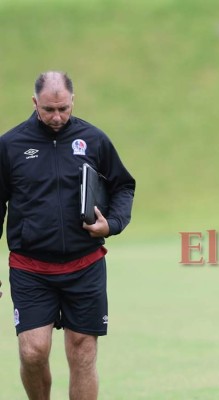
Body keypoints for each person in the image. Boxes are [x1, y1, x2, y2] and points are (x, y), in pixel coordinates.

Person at [0, 71, 135, 400]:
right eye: (49, 110)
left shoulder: (94, 139)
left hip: (84, 266)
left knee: (83, 354)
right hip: (31, 268)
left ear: (73, 101)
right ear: (34, 103)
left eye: (63, 108)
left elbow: (123, 186)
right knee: (33, 351)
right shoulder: (10, 145)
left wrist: (112, 223)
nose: (57, 117)